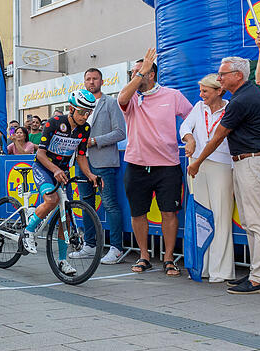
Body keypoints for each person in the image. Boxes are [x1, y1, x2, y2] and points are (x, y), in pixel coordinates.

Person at [187, 56, 260, 295]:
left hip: (252, 162)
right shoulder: (245, 95)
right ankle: (258, 274)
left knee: (257, 222)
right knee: (249, 221)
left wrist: (197, 163)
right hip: (245, 162)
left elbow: (218, 136)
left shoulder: (242, 99)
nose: (220, 77)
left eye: (223, 74)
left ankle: (259, 279)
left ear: (238, 75)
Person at [119, 49, 192, 277]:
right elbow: (121, 99)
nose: (134, 76)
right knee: (138, 213)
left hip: (167, 166)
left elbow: (191, 119)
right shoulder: (131, 98)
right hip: (136, 165)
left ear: (151, 74)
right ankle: (144, 256)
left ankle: (168, 258)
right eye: (132, 73)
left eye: (138, 72)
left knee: (169, 213)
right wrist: (139, 74)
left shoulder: (172, 95)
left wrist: (188, 138)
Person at [23, 90, 101, 276]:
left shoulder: (85, 129)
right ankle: (28, 231)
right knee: (51, 200)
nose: (85, 116)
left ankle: (63, 260)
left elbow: (81, 156)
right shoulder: (54, 123)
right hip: (44, 167)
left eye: (88, 112)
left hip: (63, 172)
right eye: (81, 111)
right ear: (71, 108)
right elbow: (40, 154)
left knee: (64, 216)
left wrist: (90, 175)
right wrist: (55, 169)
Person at [180, 74, 235, 283]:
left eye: (205, 91)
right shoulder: (198, 107)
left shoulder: (230, 108)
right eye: (201, 91)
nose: (201, 95)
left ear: (219, 91)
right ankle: (201, 266)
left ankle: (221, 270)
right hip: (197, 166)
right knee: (202, 218)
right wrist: (190, 138)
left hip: (222, 165)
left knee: (220, 217)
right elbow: (184, 127)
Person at [71, 67, 127, 265]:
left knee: (110, 204)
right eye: (88, 79)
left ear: (102, 82)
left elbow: (120, 132)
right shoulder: (78, 105)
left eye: (95, 79)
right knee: (86, 204)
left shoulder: (111, 103)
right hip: (81, 161)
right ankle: (90, 245)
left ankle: (117, 248)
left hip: (103, 162)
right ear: (84, 82)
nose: (91, 82)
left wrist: (95, 140)